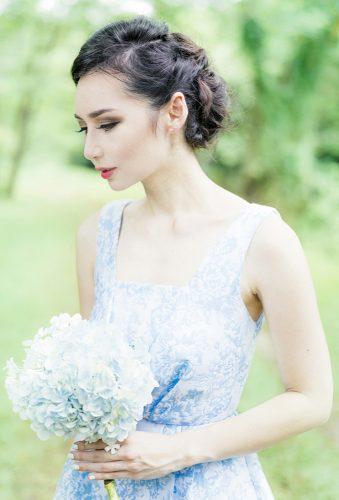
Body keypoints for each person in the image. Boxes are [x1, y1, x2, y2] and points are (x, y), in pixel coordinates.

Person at [53, 15, 333, 499]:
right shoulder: (97, 234)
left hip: (208, 482)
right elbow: (95, 376)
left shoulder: (261, 238)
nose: (91, 147)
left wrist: (180, 449)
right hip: (100, 486)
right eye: (83, 128)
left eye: (108, 124)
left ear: (174, 111)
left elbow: (310, 399)